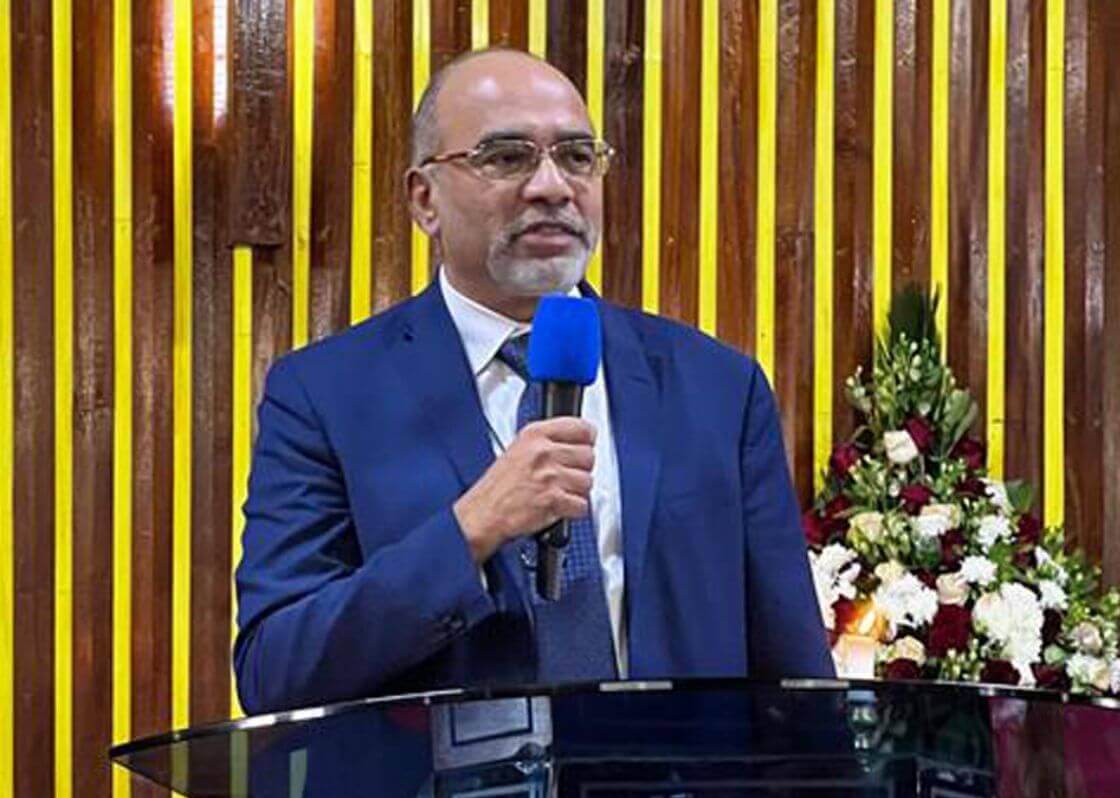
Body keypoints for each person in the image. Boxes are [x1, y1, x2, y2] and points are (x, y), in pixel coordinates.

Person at [233, 48, 833, 715]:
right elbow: (274, 670)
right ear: (425, 199)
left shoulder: (717, 388)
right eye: (507, 157)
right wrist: (470, 530)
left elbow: (796, 678)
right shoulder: (325, 395)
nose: (552, 186)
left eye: (576, 156)